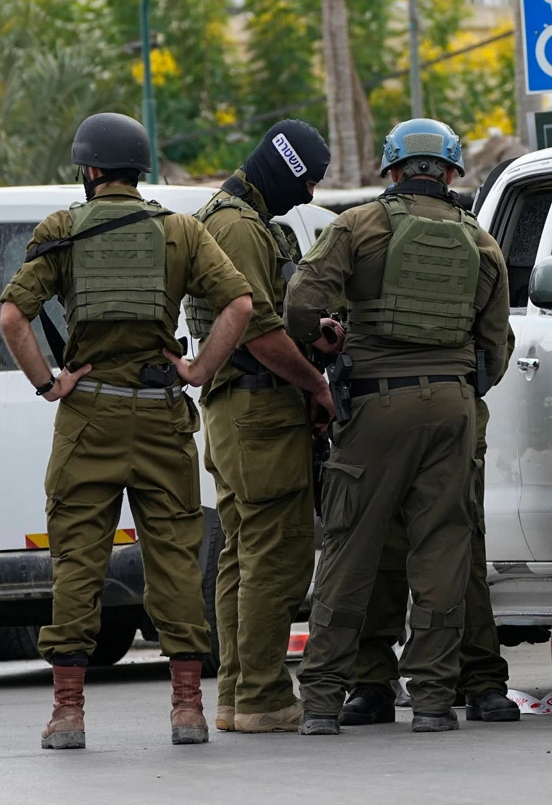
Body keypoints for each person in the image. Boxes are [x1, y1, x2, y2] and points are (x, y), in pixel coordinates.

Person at [0, 112, 254, 750]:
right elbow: (241, 304)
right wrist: (196, 368)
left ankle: (67, 714)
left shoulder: (62, 229)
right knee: (173, 559)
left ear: (88, 171)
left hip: (89, 417)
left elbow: (12, 318)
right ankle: (188, 708)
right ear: (139, 170)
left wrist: (48, 382)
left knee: (79, 561)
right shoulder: (180, 231)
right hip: (163, 414)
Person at [283, 118, 511, 735]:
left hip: (376, 406)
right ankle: (435, 700)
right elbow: (497, 350)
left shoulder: (356, 226)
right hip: (454, 410)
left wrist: (329, 341)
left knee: (350, 548)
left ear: (391, 170)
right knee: (443, 551)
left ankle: (325, 702)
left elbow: (300, 305)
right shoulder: (479, 241)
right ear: (451, 172)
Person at [188, 120, 338, 735]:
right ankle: (263, 696)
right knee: (275, 555)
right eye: (303, 183)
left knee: (241, 555)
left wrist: (313, 342)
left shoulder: (221, 215)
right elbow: (258, 332)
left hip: (237, 410)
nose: (305, 197)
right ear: (279, 168)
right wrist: (315, 381)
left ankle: (234, 696)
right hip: (258, 411)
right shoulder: (240, 227)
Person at [340, 335, 519, 726]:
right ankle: (371, 681)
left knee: (462, 556)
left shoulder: (476, 268)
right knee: (378, 552)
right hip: (375, 416)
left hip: (451, 419)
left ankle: (480, 679)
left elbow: (496, 342)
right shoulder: (355, 268)